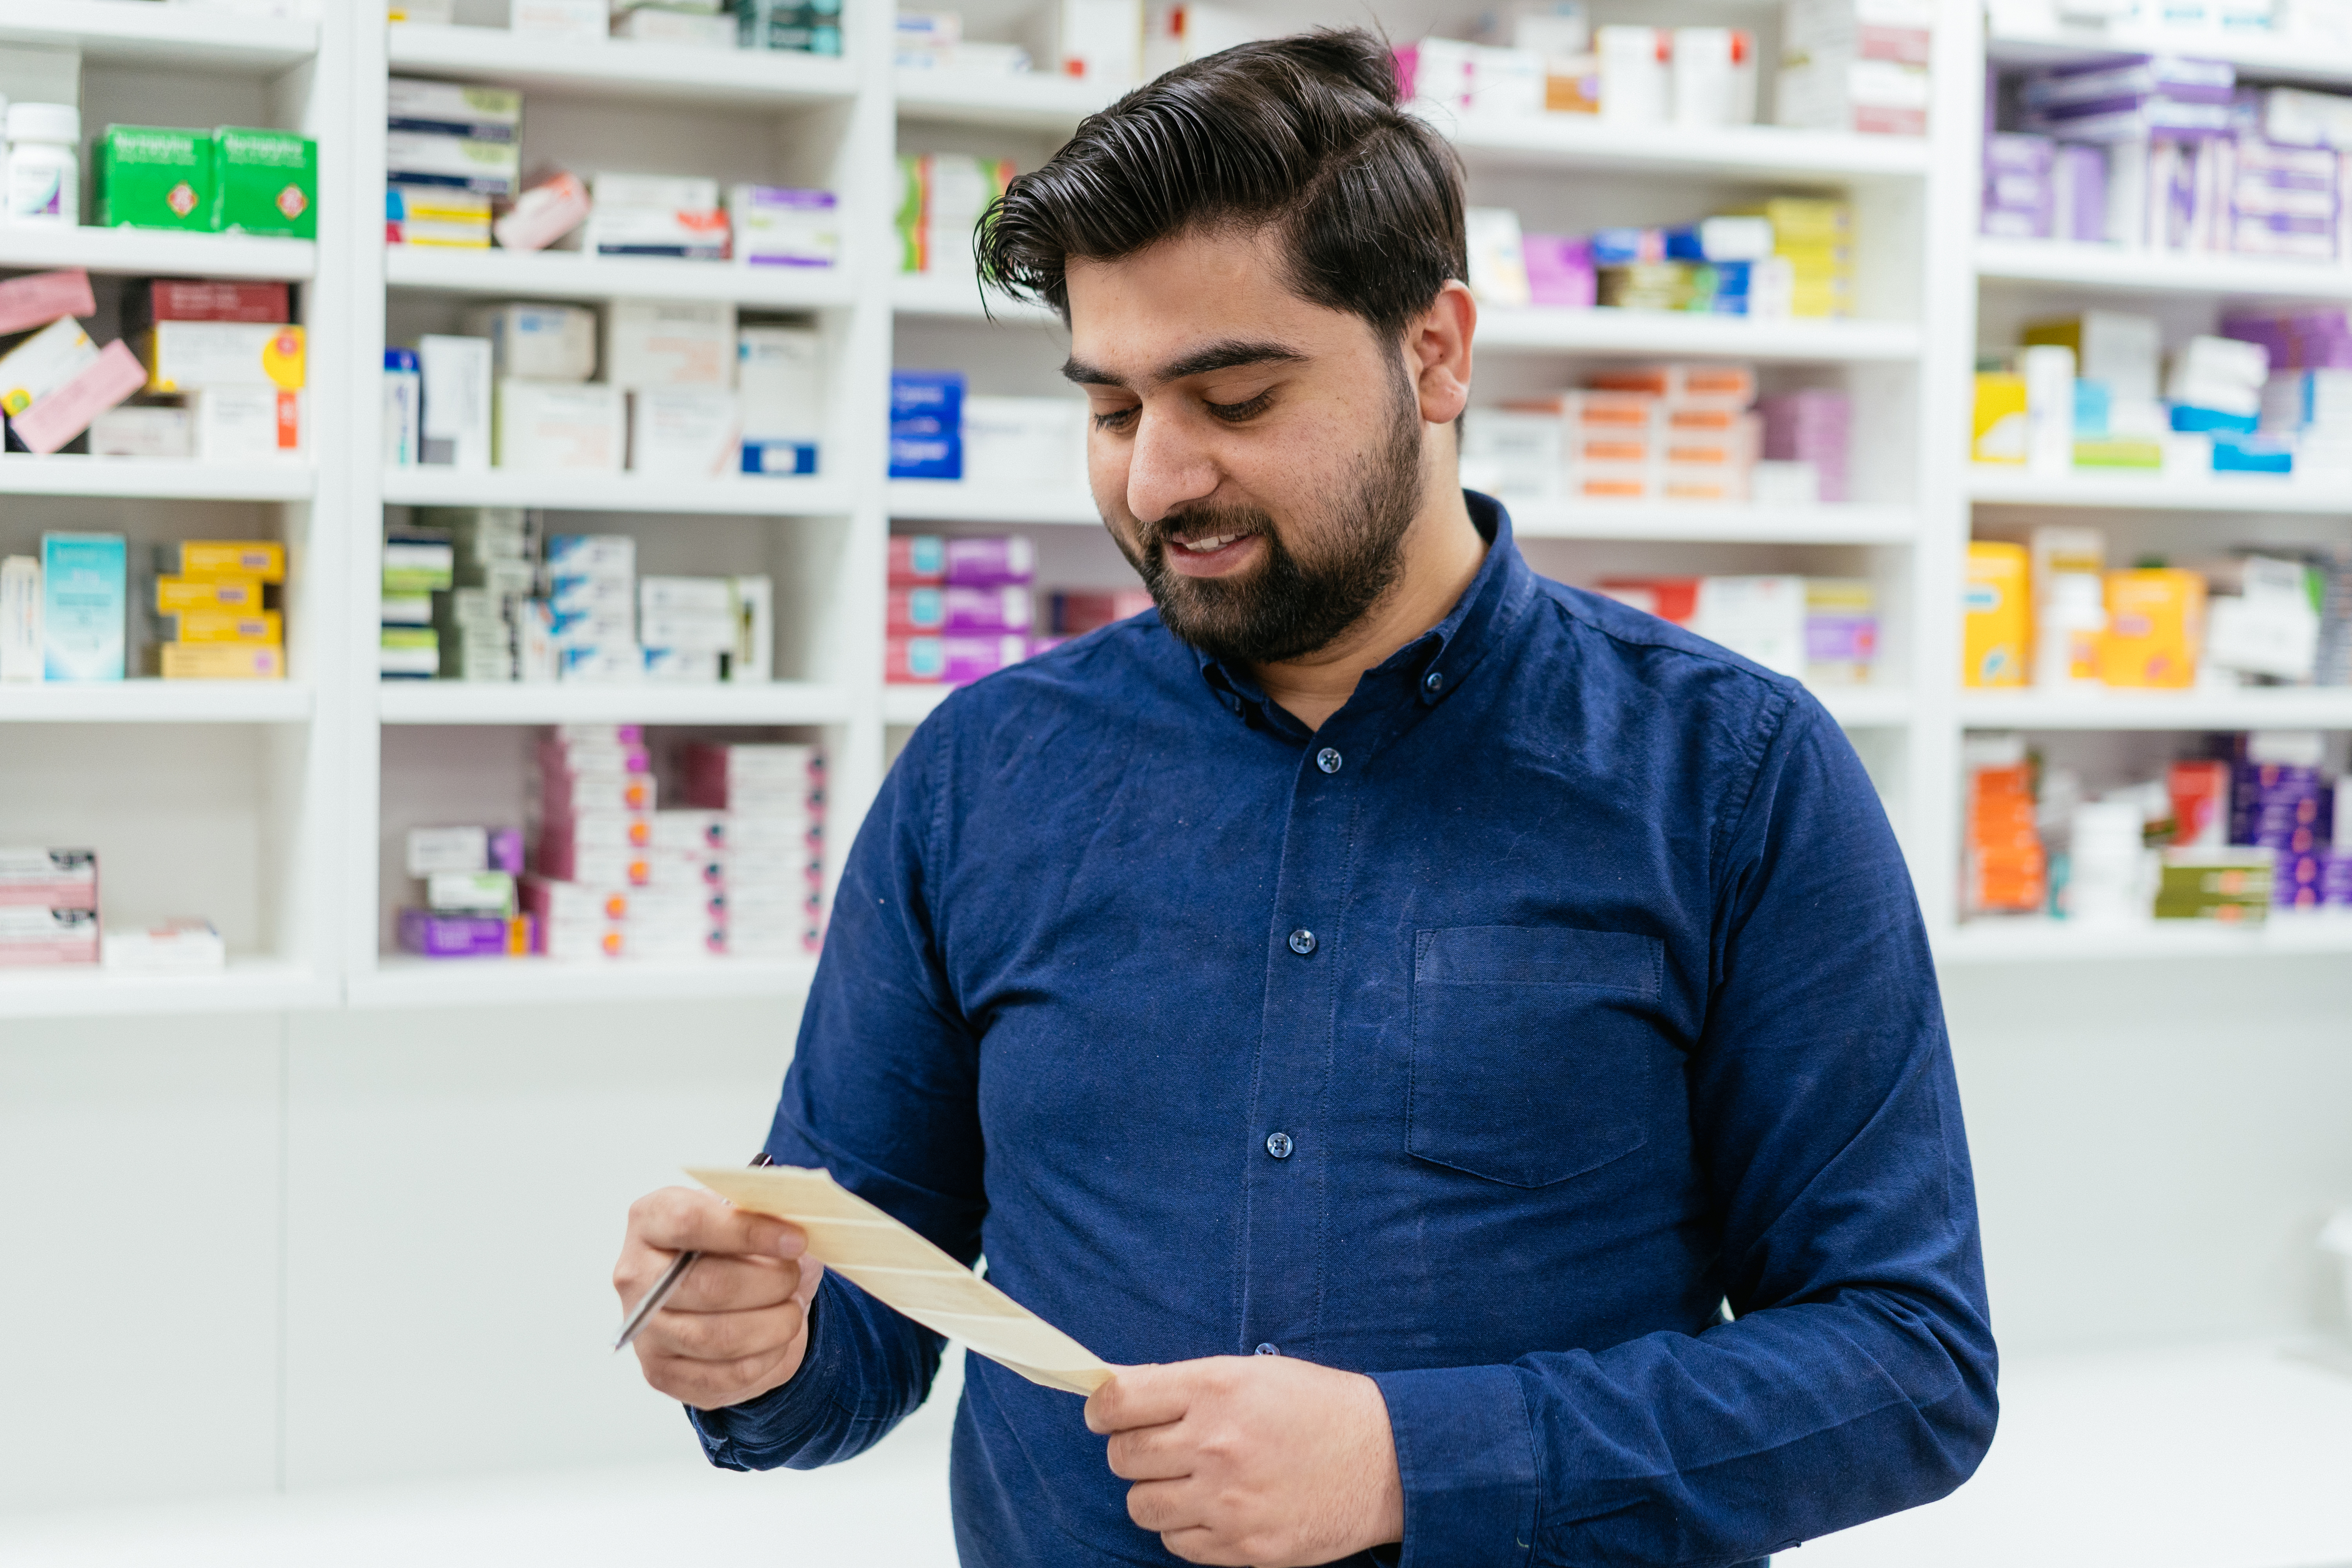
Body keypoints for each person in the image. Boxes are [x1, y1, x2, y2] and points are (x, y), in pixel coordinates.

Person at [612, 28, 1996, 1568]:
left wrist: (1420, 1464)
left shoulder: (1733, 773)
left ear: (1438, 351)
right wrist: (758, 1342)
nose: (1156, 483)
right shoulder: (981, 774)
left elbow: (1908, 1366)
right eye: (1117, 409)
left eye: (1238, 397)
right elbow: (865, 1315)